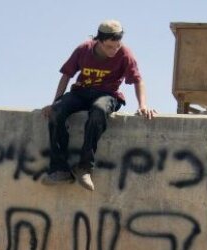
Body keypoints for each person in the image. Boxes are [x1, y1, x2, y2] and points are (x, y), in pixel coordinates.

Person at [42, 19, 155, 191]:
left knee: (98, 111)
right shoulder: (84, 50)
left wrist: (143, 105)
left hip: (108, 95)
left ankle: (84, 167)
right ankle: (60, 169)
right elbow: (66, 75)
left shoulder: (124, 54)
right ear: (99, 41)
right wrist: (55, 102)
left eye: (117, 46)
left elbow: (138, 80)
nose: (114, 50)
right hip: (81, 92)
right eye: (110, 46)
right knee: (57, 111)